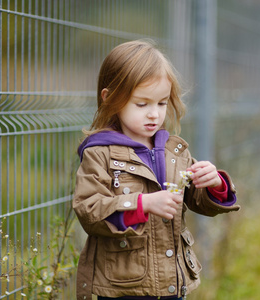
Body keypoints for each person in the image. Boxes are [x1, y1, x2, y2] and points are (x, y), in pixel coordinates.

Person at [73, 40, 240, 300]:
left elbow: (198, 202)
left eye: (162, 103)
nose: (154, 114)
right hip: (124, 286)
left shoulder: (173, 151)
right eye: (142, 104)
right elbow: (89, 210)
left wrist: (214, 185)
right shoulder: (100, 153)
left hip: (172, 282)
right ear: (110, 98)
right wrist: (144, 204)